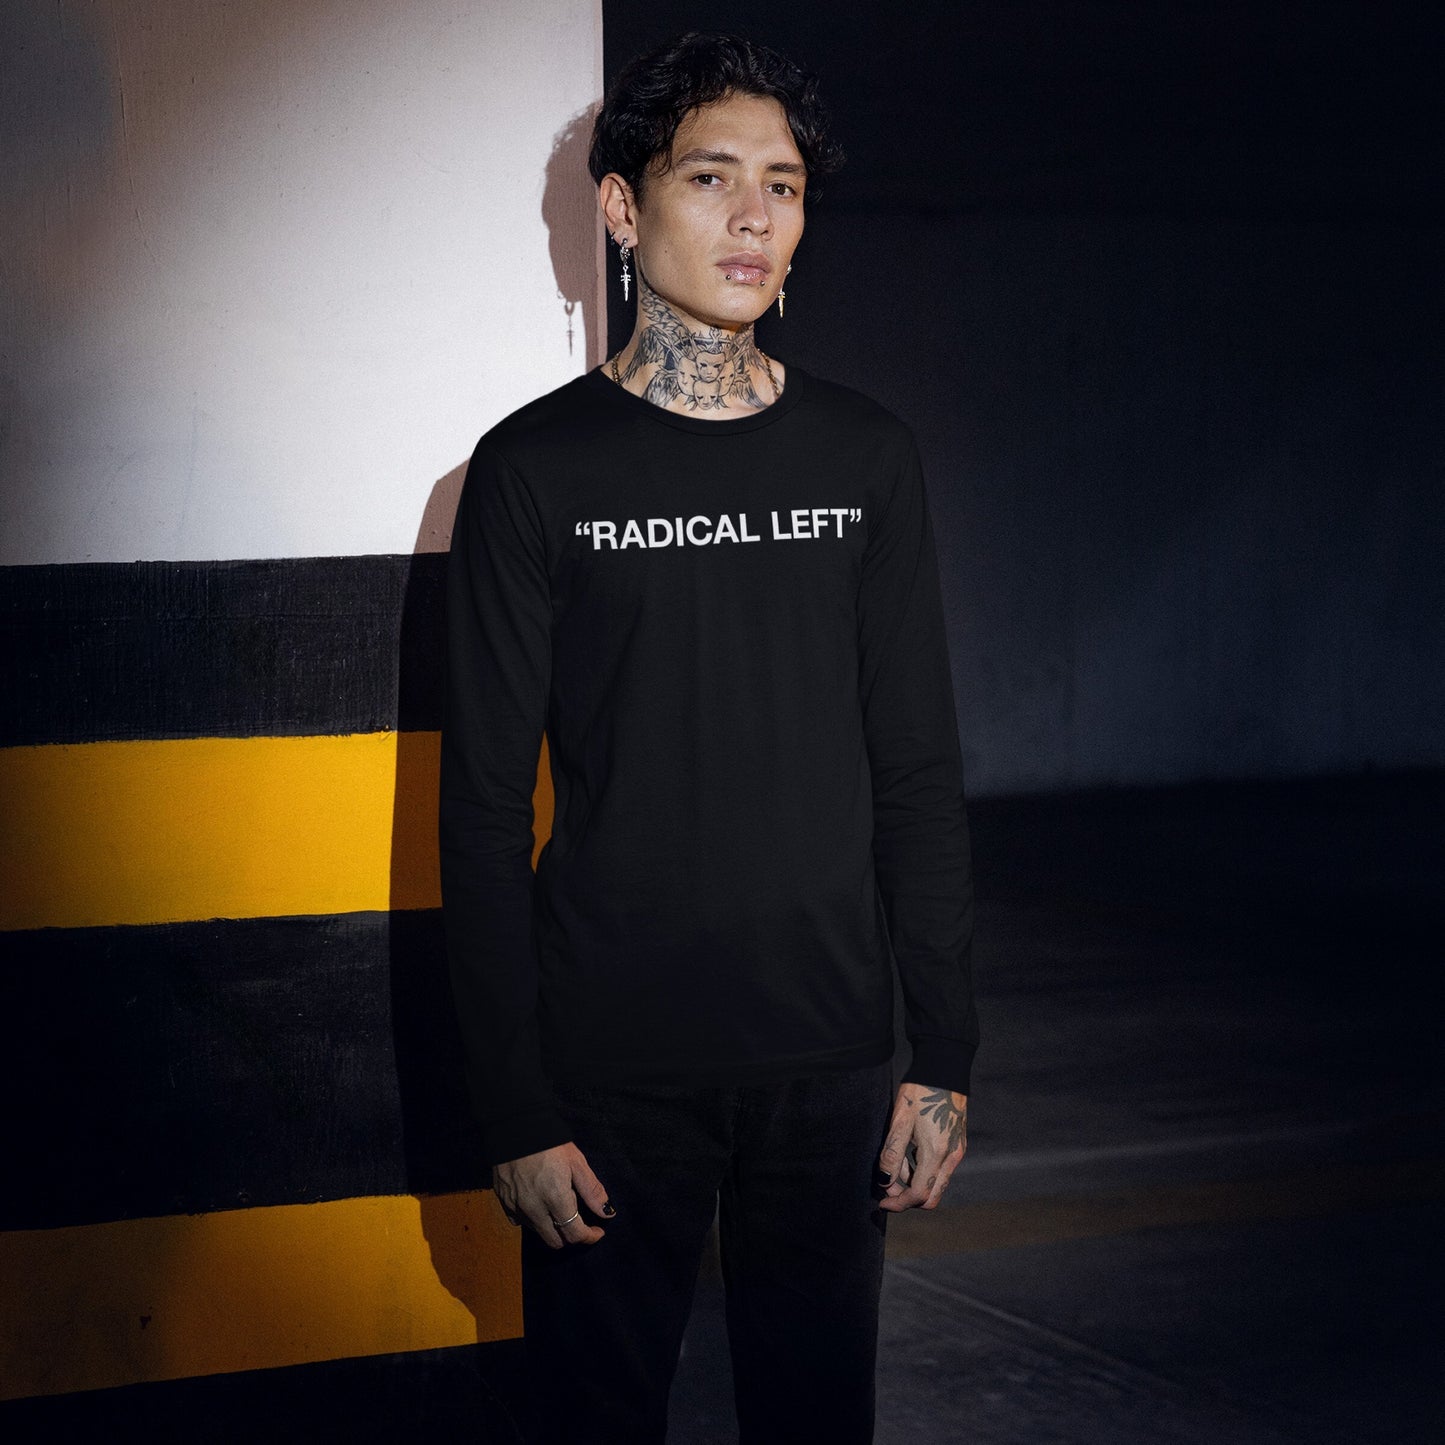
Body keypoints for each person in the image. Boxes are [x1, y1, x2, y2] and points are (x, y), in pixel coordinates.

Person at [439, 31, 978, 1445]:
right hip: (612, 1068)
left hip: (830, 1060)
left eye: (783, 187)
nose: (754, 218)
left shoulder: (864, 458)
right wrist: (513, 1105)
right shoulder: (532, 470)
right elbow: (481, 810)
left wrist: (942, 1050)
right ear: (623, 209)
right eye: (711, 178)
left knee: (816, 1418)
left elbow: (917, 773)